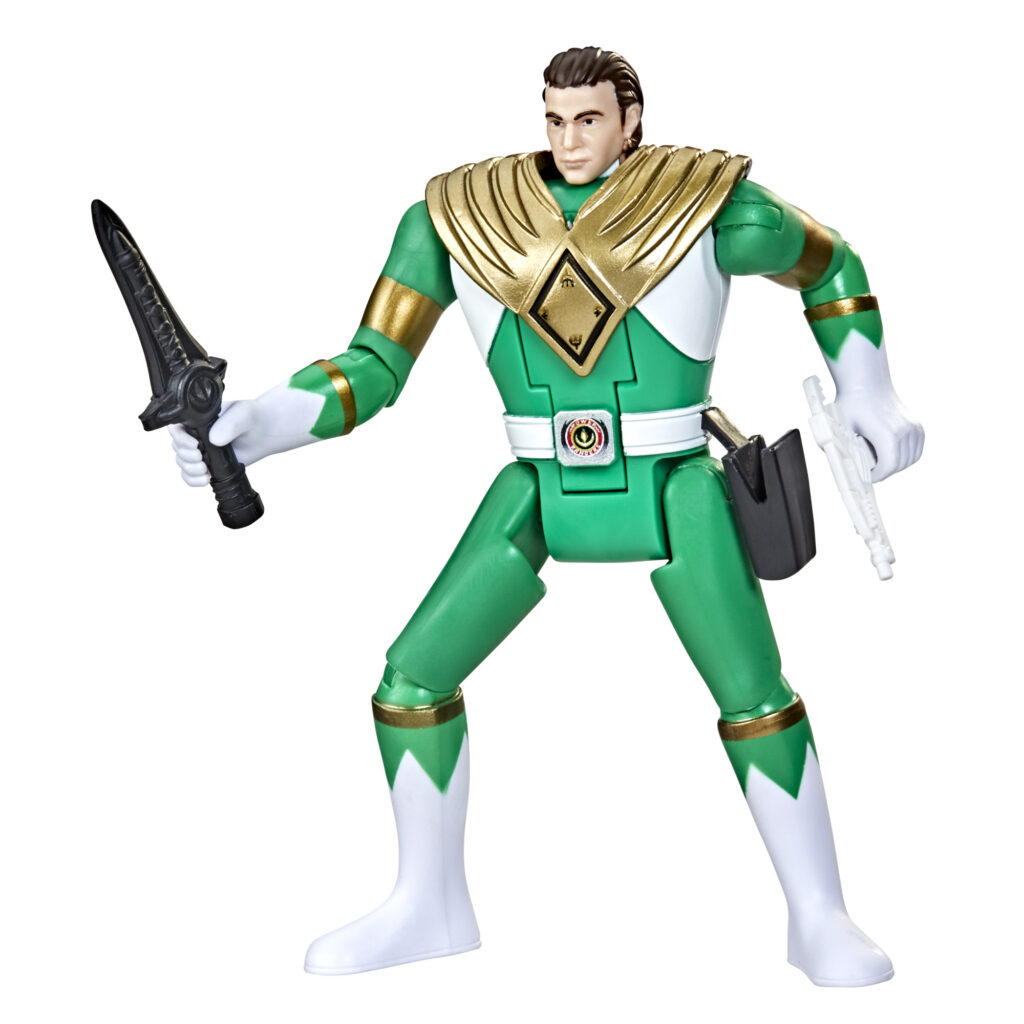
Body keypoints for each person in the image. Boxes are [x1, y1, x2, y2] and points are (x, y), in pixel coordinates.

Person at [170, 46, 923, 985]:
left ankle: (819, 915)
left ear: (630, 119)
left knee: (754, 693)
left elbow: (830, 262)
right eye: (556, 119)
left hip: (672, 479)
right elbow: (373, 366)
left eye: (590, 119)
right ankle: (429, 902)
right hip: (536, 481)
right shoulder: (453, 220)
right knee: (411, 680)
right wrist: (259, 426)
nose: (570, 139)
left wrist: (869, 387)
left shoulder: (707, 204)